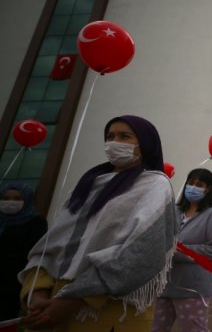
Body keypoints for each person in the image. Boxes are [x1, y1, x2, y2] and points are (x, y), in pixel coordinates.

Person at [18, 115, 177, 332]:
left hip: (108, 312)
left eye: (124, 136)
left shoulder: (155, 186)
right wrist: (37, 293)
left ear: (145, 143)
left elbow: (141, 253)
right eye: (110, 136)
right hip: (52, 306)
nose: (114, 142)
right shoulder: (86, 185)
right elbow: (52, 243)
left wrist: (70, 301)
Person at [151, 168, 212, 332]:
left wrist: (179, 251)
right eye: (190, 183)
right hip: (165, 284)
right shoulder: (175, 211)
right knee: (156, 328)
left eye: (199, 184)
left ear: (208, 189)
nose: (193, 187)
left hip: (192, 287)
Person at [0, 184, 47, 326]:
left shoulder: (36, 221)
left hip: (12, 281)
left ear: (26, 200)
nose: (10, 202)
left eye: (17, 198)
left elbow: (32, 252)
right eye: (5, 198)